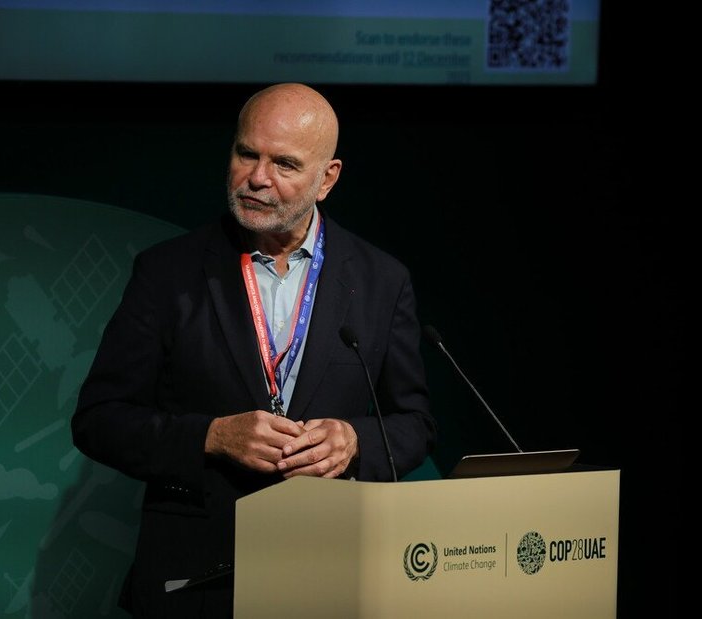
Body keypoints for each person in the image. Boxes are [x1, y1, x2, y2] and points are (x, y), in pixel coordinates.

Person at [72, 82, 436, 617]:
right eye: (247, 153)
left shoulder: (381, 281)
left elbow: (415, 424)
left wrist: (353, 440)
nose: (257, 178)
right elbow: (99, 420)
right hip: (196, 581)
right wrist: (211, 436)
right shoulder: (168, 272)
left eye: (285, 164)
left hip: (330, 577)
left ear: (327, 178)